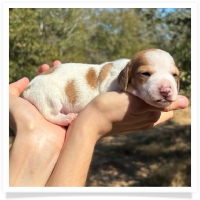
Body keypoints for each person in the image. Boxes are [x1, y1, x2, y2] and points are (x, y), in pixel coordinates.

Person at [9, 60, 189, 186]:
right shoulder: (117, 77)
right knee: (48, 92)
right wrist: (91, 124)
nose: (166, 87)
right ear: (127, 75)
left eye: (174, 75)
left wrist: (34, 137)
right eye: (146, 74)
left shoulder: (127, 73)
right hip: (45, 88)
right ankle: (52, 114)